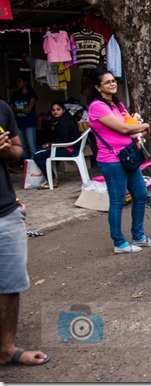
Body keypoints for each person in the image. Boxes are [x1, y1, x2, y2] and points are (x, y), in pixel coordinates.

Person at [0, 99, 50, 366]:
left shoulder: (2, 108)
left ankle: (6, 348)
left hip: (5, 210)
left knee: (10, 285)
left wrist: (8, 150)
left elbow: (18, 151)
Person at [87, 70, 151, 254]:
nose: (112, 84)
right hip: (112, 160)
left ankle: (139, 236)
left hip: (128, 156)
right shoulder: (97, 106)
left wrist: (141, 128)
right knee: (117, 201)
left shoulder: (117, 105)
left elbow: (133, 129)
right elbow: (124, 128)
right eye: (107, 82)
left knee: (141, 195)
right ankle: (119, 242)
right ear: (97, 87)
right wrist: (144, 125)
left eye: (113, 80)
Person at [32, 101, 81, 189]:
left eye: (58, 109)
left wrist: (49, 145)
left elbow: (63, 140)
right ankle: (52, 177)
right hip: (68, 147)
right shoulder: (60, 120)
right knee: (39, 151)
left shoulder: (64, 121)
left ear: (63, 110)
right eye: (53, 110)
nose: (55, 112)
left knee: (37, 155)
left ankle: (52, 180)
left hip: (69, 149)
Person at [10, 75, 38, 161]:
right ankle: (26, 164)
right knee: (22, 146)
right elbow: (11, 109)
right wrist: (23, 109)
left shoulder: (31, 93)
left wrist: (17, 109)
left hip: (29, 123)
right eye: (17, 82)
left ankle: (35, 164)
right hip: (18, 123)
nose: (18, 84)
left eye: (20, 81)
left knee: (31, 145)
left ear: (25, 82)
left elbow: (28, 110)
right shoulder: (15, 94)